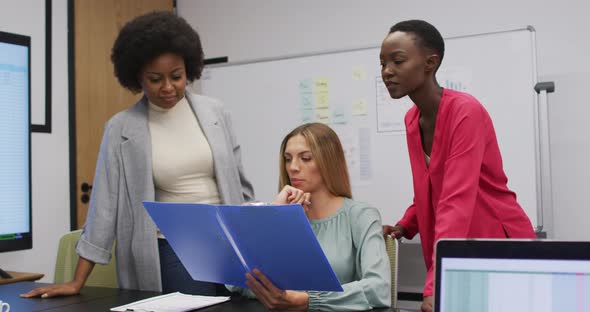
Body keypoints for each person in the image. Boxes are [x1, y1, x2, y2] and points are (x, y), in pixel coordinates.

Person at [22, 11, 254, 298]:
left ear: (189, 70)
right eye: (155, 79)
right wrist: (76, 282)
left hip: (229, 240)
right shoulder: (121, 128)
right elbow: (103, 209)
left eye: (177, 76)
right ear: (136, 78)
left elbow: (240, 188)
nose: (168, 88)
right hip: (174, 245)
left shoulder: (215, 113)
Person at [379, 20, 536, 312]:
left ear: (430, 63)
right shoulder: (412, 120)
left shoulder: (465, 112)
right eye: (383, 63)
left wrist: (436, 282)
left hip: (497, 244)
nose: (387, 71)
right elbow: (430, 187)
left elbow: (456, 200)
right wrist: (406, 224)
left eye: (397, 61)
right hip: (458, 249)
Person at [227, 123, 391, 311]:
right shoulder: (282, 214)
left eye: (306, 158)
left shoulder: (360, 216)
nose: (293, 167)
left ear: (328, 161)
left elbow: (379, 289)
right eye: (288, 159)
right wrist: (272, 217)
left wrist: (308, 300)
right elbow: (235, 283)